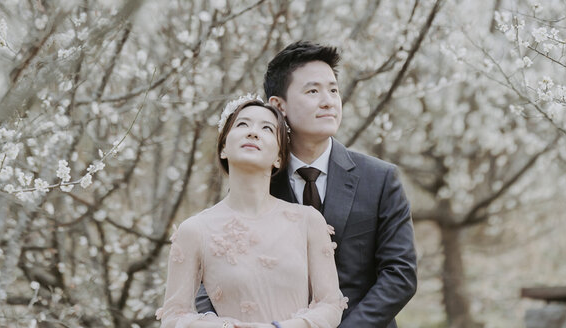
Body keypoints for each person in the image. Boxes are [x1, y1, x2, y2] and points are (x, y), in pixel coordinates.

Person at [158, 97, 347, 328]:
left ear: (279, 157)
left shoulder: (308, 221)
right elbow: (173, 317)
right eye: (242, 125)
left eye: (266, 128)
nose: (253, 133)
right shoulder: (195, 230)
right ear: (224, 148)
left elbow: (330, 304)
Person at [266, 41, 417, 328]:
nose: (328, 101)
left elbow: (400, 275)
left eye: (333, 90)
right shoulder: (262, 181)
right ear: (279, 105)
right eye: (313, 91)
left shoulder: (381, 178)